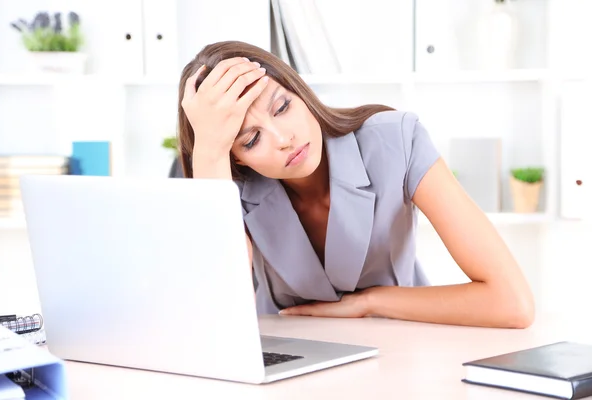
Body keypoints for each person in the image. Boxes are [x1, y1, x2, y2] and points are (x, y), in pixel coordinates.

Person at [176, 41, 535, 329]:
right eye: (251, 140)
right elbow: (213, 320)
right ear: (234, 157)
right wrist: (208, 152)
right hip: (287, 355)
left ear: (298, 90)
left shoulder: (396, 141)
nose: (283, 138)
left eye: (282, 106)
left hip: (402, 341)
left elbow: (512, 303)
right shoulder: (225, 185)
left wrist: (369, 302)